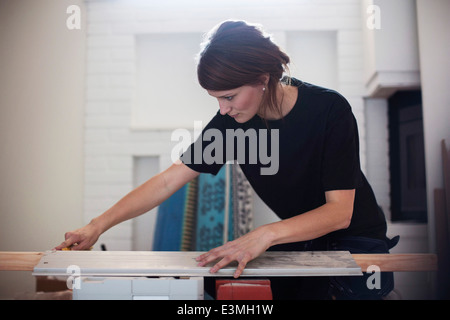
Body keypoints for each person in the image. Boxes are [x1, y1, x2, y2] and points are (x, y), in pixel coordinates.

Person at [55, 20, 398, 299]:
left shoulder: (330, 110)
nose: (223, 109)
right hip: (302, 240)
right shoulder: (230, 124)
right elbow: (166, 181)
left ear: (263, 79)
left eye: (229, 96)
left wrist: (265, 234)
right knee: (213, 290)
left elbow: (340, 212)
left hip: (358, 239)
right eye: (216, 99)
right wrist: (97, 225)